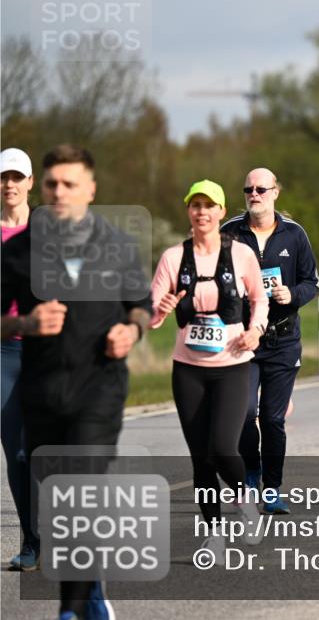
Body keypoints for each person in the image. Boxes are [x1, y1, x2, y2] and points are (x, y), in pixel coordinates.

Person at [1, 144, 152, 620]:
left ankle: (70, 611)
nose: (59, 192)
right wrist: (24, 324)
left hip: (98, 389)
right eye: (52, 184)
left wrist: (131, 331)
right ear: (42, 189)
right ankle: (89, 595)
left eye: (70, 183)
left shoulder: (117, 245)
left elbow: (140, 306)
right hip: (41, 388)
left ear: (90, 189)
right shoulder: (16, 253)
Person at [149, 180, 268, 554]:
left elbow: (258, 298)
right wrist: (161, 309)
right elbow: (151, 314)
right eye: (195, 205)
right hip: (188, 368)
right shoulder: (173, 257)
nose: (201, 212)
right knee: (200, 457)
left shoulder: (242, 254)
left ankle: (246, 502)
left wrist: (255, 331)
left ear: (220, 212)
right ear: (189, 211)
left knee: (222, 447)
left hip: (233, 364)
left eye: (209, 205)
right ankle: (214, 533)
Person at [222, 168, 319, 515]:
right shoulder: (230, 232)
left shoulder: (294, 235)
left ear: (276, 192)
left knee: (273, 419)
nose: (254, 194)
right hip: (242, 340)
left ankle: (272, 489)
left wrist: (290, 294)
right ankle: (251, 473)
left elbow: (312, 281)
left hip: (282, 340)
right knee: (245, 414)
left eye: (262, 188)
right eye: (248, 188)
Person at [1, 148, 38, 571]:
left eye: (16, 177)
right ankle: (32, 541)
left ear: (30, 182)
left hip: (47, 354)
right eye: (3, 177)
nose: (9, 184)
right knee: (17, 453)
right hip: (4, 353)